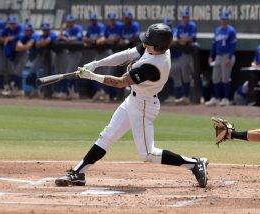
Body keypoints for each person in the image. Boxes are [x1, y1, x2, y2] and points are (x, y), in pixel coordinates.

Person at [55, 23, 209, 188]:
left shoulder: (154, 66)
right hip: (133, 100)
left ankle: (194, 163)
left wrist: (92, 76)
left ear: (159, 45)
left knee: (148, 154)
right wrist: (97, 63)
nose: (144, 44)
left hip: (144, 106)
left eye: (148, 42)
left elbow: (121, 82)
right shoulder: (155, 48)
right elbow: (127, 55)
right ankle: (78, 172)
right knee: (107, 136)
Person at [206, 10, 237, 106]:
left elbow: (233, 45)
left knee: (225, 78)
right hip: (218, 56)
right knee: (215, 77)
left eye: (225, 19)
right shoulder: (218, 30)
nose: (223, 21)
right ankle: (216, 98)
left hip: (227, 55)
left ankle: (226, 99)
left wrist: (230, 57)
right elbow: (214, 44)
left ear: (228, 20)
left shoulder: (231, 30)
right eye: (222, 19)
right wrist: (211, 55)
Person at [56, 14, 83, 99]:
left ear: (73, 22)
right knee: (73, 74)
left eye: (70, 22)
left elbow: (78, 38)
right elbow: (59, 37)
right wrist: (62, 29)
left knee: (69, 73)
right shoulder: (68, 29)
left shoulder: (78, 28)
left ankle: (66, 92)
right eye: (68, 22)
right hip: (70, 53)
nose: (69, 23)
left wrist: (68, 38)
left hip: (77, 52)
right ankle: (74, 92)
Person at [174, 9, 197, 104]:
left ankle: (200, 96)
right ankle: (186, 97)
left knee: (195, 75)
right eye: (183, 17)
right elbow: (177, 39)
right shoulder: (180, 26)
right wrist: (183, 40)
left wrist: (183, 40)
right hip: (184, 53)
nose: (185, 19)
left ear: (189, 18)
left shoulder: (192, 25)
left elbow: (191, 39)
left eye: (186, 17)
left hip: (192, 54)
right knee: (185, 76)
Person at [0, 16, 23, 96]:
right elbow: (1, 38)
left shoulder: (20, 28)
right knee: (10, 70)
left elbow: (21, 36)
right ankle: (11, 89)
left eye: (13, 24)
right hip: (10, 52)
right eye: (11, 24)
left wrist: (10, 38)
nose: (12, 25)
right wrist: (7, 39)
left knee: (17, 70)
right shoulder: (6, 29)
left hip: (20, 52)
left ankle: (18, 89)